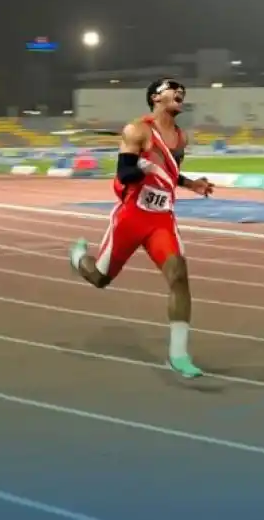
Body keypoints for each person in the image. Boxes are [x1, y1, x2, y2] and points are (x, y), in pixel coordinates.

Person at [68, 78, 214, 378]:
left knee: (179, 276)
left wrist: (191, 183)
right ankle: (79, 257)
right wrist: (146, 166)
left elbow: (170, 173)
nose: (180, 93)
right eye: (173, 89)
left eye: (182, 91)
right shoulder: (138, 130)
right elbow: (125, 173)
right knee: (99, 278)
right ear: (155, 97)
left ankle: (178, 355)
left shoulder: (181, 137)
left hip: (162, 220)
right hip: (132, 217)